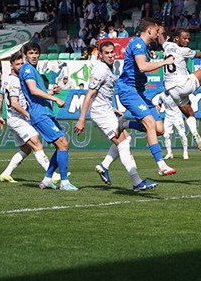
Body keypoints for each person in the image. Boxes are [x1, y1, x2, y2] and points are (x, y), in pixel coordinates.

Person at [74, 41, 157, 192]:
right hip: (100, 112)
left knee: (126, 139)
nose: (111, 55)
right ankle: (137, 182)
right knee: (123, 144)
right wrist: (81, 119)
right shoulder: (100, 70)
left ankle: (104, 166)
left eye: (112, 52)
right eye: (107, 53)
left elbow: (102, 95)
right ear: (100, 55)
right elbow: (89, 95)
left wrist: (113, 109)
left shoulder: (108, 68)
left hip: (106, 110)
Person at [116, 18, 177, 176]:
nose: (158, 34)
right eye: (157, 31)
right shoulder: (137, 44)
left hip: (139, 92)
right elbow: (142, 67)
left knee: (159, 129)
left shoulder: (143, 47)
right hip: (128, 90)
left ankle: (125, 123)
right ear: (149, 30)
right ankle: (161, 165)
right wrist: (164, 62)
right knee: (150, 123)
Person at [19, 42, 77, 191]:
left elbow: (37, 92)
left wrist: (51, 93)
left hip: (45, 111)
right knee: (62, 143)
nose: (34, 55)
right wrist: (56, 99)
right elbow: (33, 91)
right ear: (25, 55)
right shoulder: (26, 69)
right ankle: (64, 182)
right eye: (31, 53)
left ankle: (47, 180)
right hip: (39, 113)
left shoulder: (33, 70)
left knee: (62, 145)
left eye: (36, 52)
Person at [0, 52, 56, 184]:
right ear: (11, 66)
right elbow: (15, 103)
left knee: (26, 149)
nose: (21, 66)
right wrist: (28, 114)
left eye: (22, 63)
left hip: (14, 119)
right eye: (17, 64)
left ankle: (6, 173)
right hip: (18, 119)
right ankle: (52, 174)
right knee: (36, 142)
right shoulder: (14, 81)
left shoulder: (7, 80)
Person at [152, 92, 190, 160]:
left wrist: (187, 114)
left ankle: (185, 152)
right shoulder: (162, 95)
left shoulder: (177, 94)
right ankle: (169, 153)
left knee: (182, 134)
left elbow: (186, 103)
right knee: (166, 135)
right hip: (168, 118)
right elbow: (159, 105)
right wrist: (157, 114)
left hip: (177, 117)